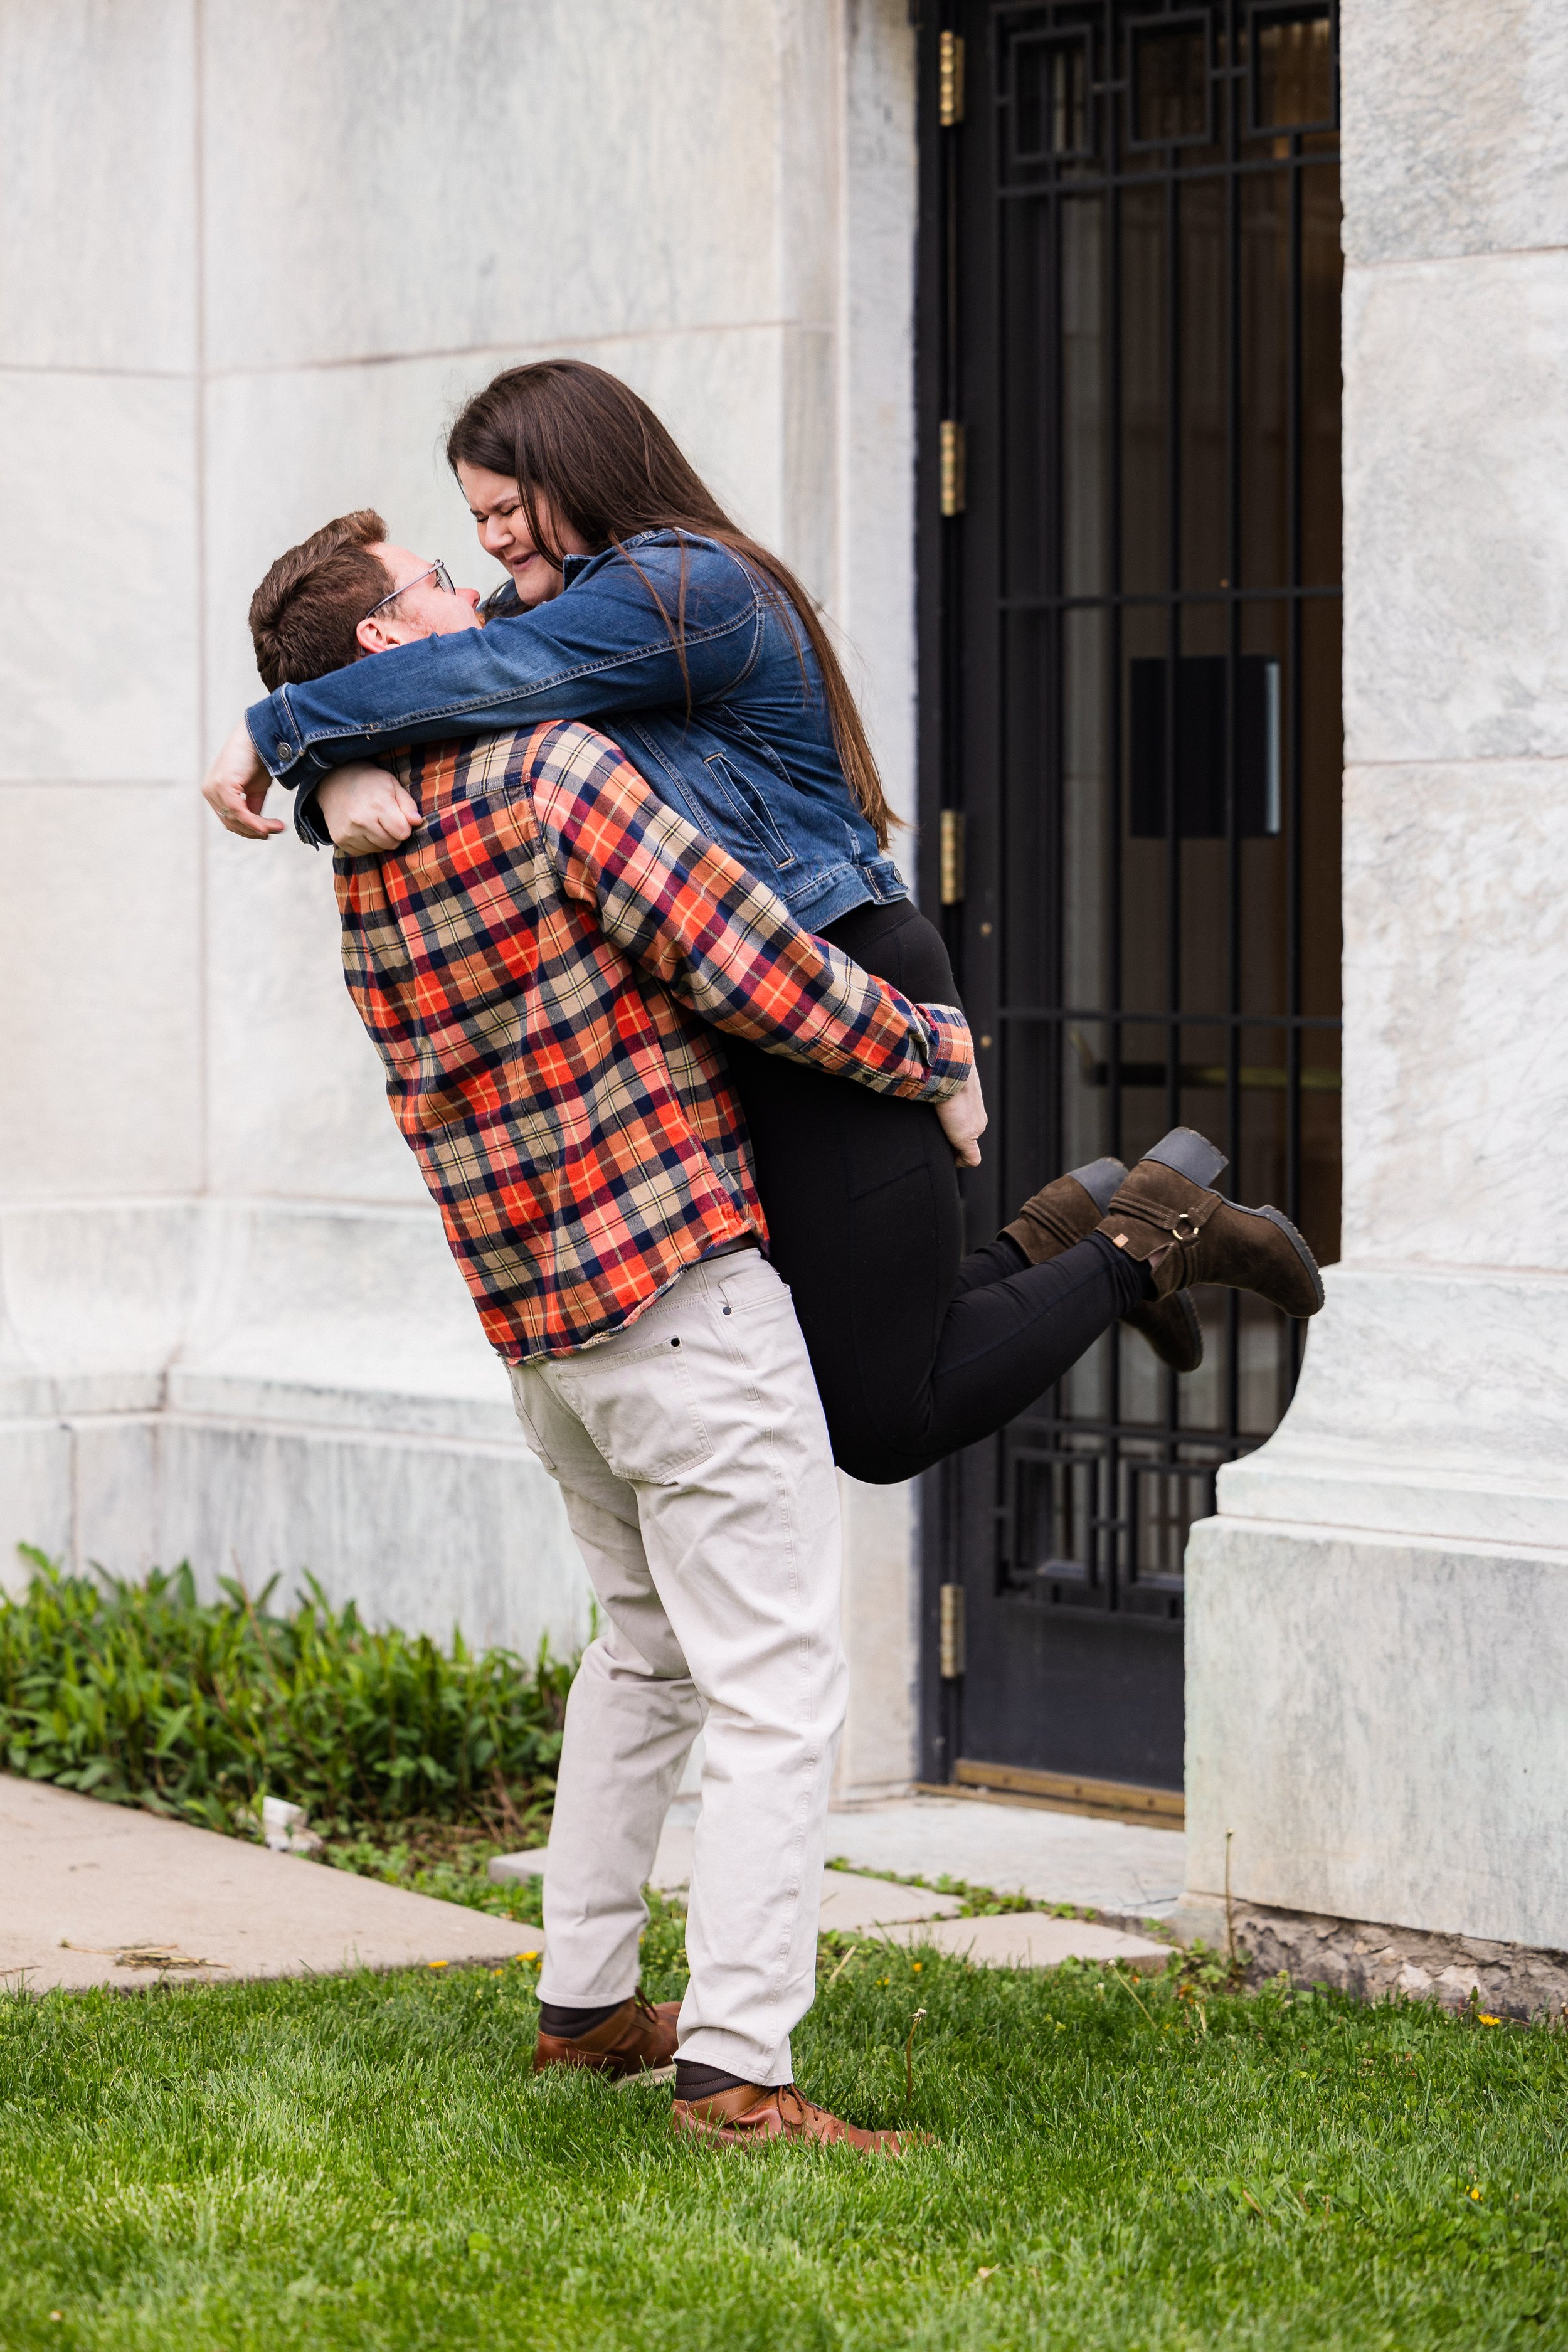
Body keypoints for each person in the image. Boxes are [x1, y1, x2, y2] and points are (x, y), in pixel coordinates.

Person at [238, 518, 1319, 2154]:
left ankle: (587, 2002)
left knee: (644, 1649)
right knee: (776, 1683)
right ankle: (736, 2074)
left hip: (542, 1335)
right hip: (678, 1296)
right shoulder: (548, 771)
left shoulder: (363, 845)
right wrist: (929, 1045)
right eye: (444, 593)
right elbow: (758, 969)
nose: (488, 605)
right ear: (397, 649)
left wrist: (310, 774)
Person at [206, 365, 1323, 1482]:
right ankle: (1075, 1227)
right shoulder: (563, 604)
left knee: (886, 1420)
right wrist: (332, 787)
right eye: (476, 520)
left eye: (506, 509)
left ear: (576, 471)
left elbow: (481, 675)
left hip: (837, 969)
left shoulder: (683, 587)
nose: (493, 544)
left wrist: (281, 735)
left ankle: (1154, 1233)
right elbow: (434, 696)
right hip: (760, 1003)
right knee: (850, 1361)